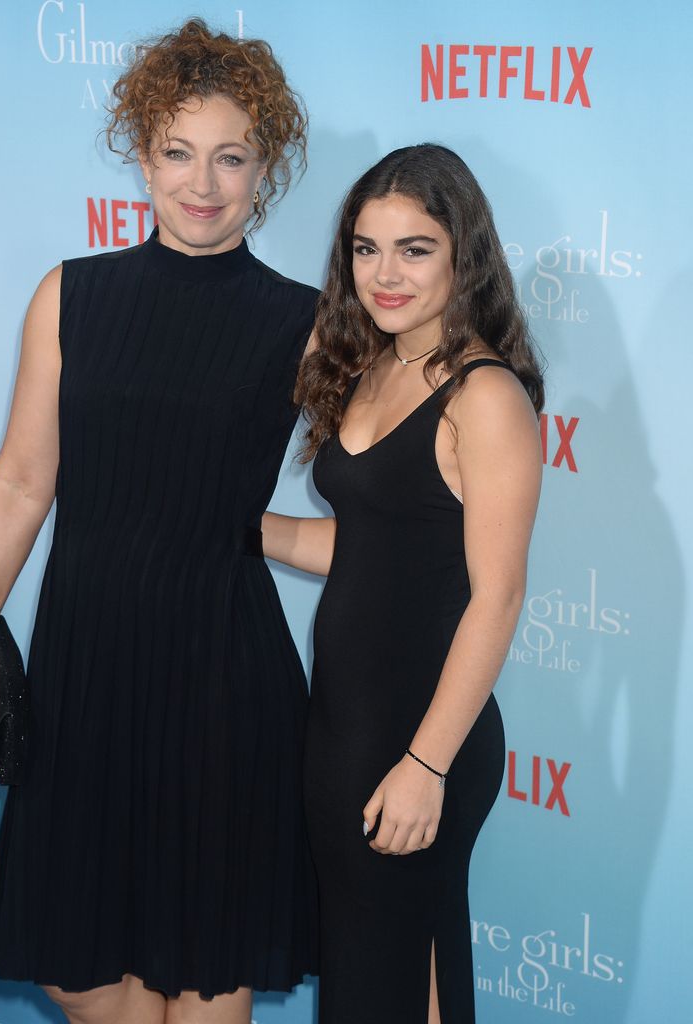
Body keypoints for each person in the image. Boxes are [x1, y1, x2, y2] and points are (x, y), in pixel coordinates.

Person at [0, 19, 318, 1024]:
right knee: (79, 964)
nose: (202, 182)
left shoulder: (308, 321)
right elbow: (25, 478)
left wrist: (274, 534)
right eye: (177, 152)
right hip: (85, 676)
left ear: (264, 167)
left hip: (223, 688)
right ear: (141, 151)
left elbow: (394, 499)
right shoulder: (70, 296)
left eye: (231, 157)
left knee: (203, 969)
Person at [262, 143, 544, 1023]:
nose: (385, 274)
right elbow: (370, 551)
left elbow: (496, 598)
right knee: (376, 975)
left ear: (463, 253)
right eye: (365, 248)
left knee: (386, 977)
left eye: (414, 249)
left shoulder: (484, 395)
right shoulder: (371, 366)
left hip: (424, 736)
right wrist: (237, 531)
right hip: (344, 723)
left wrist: (427, 763)